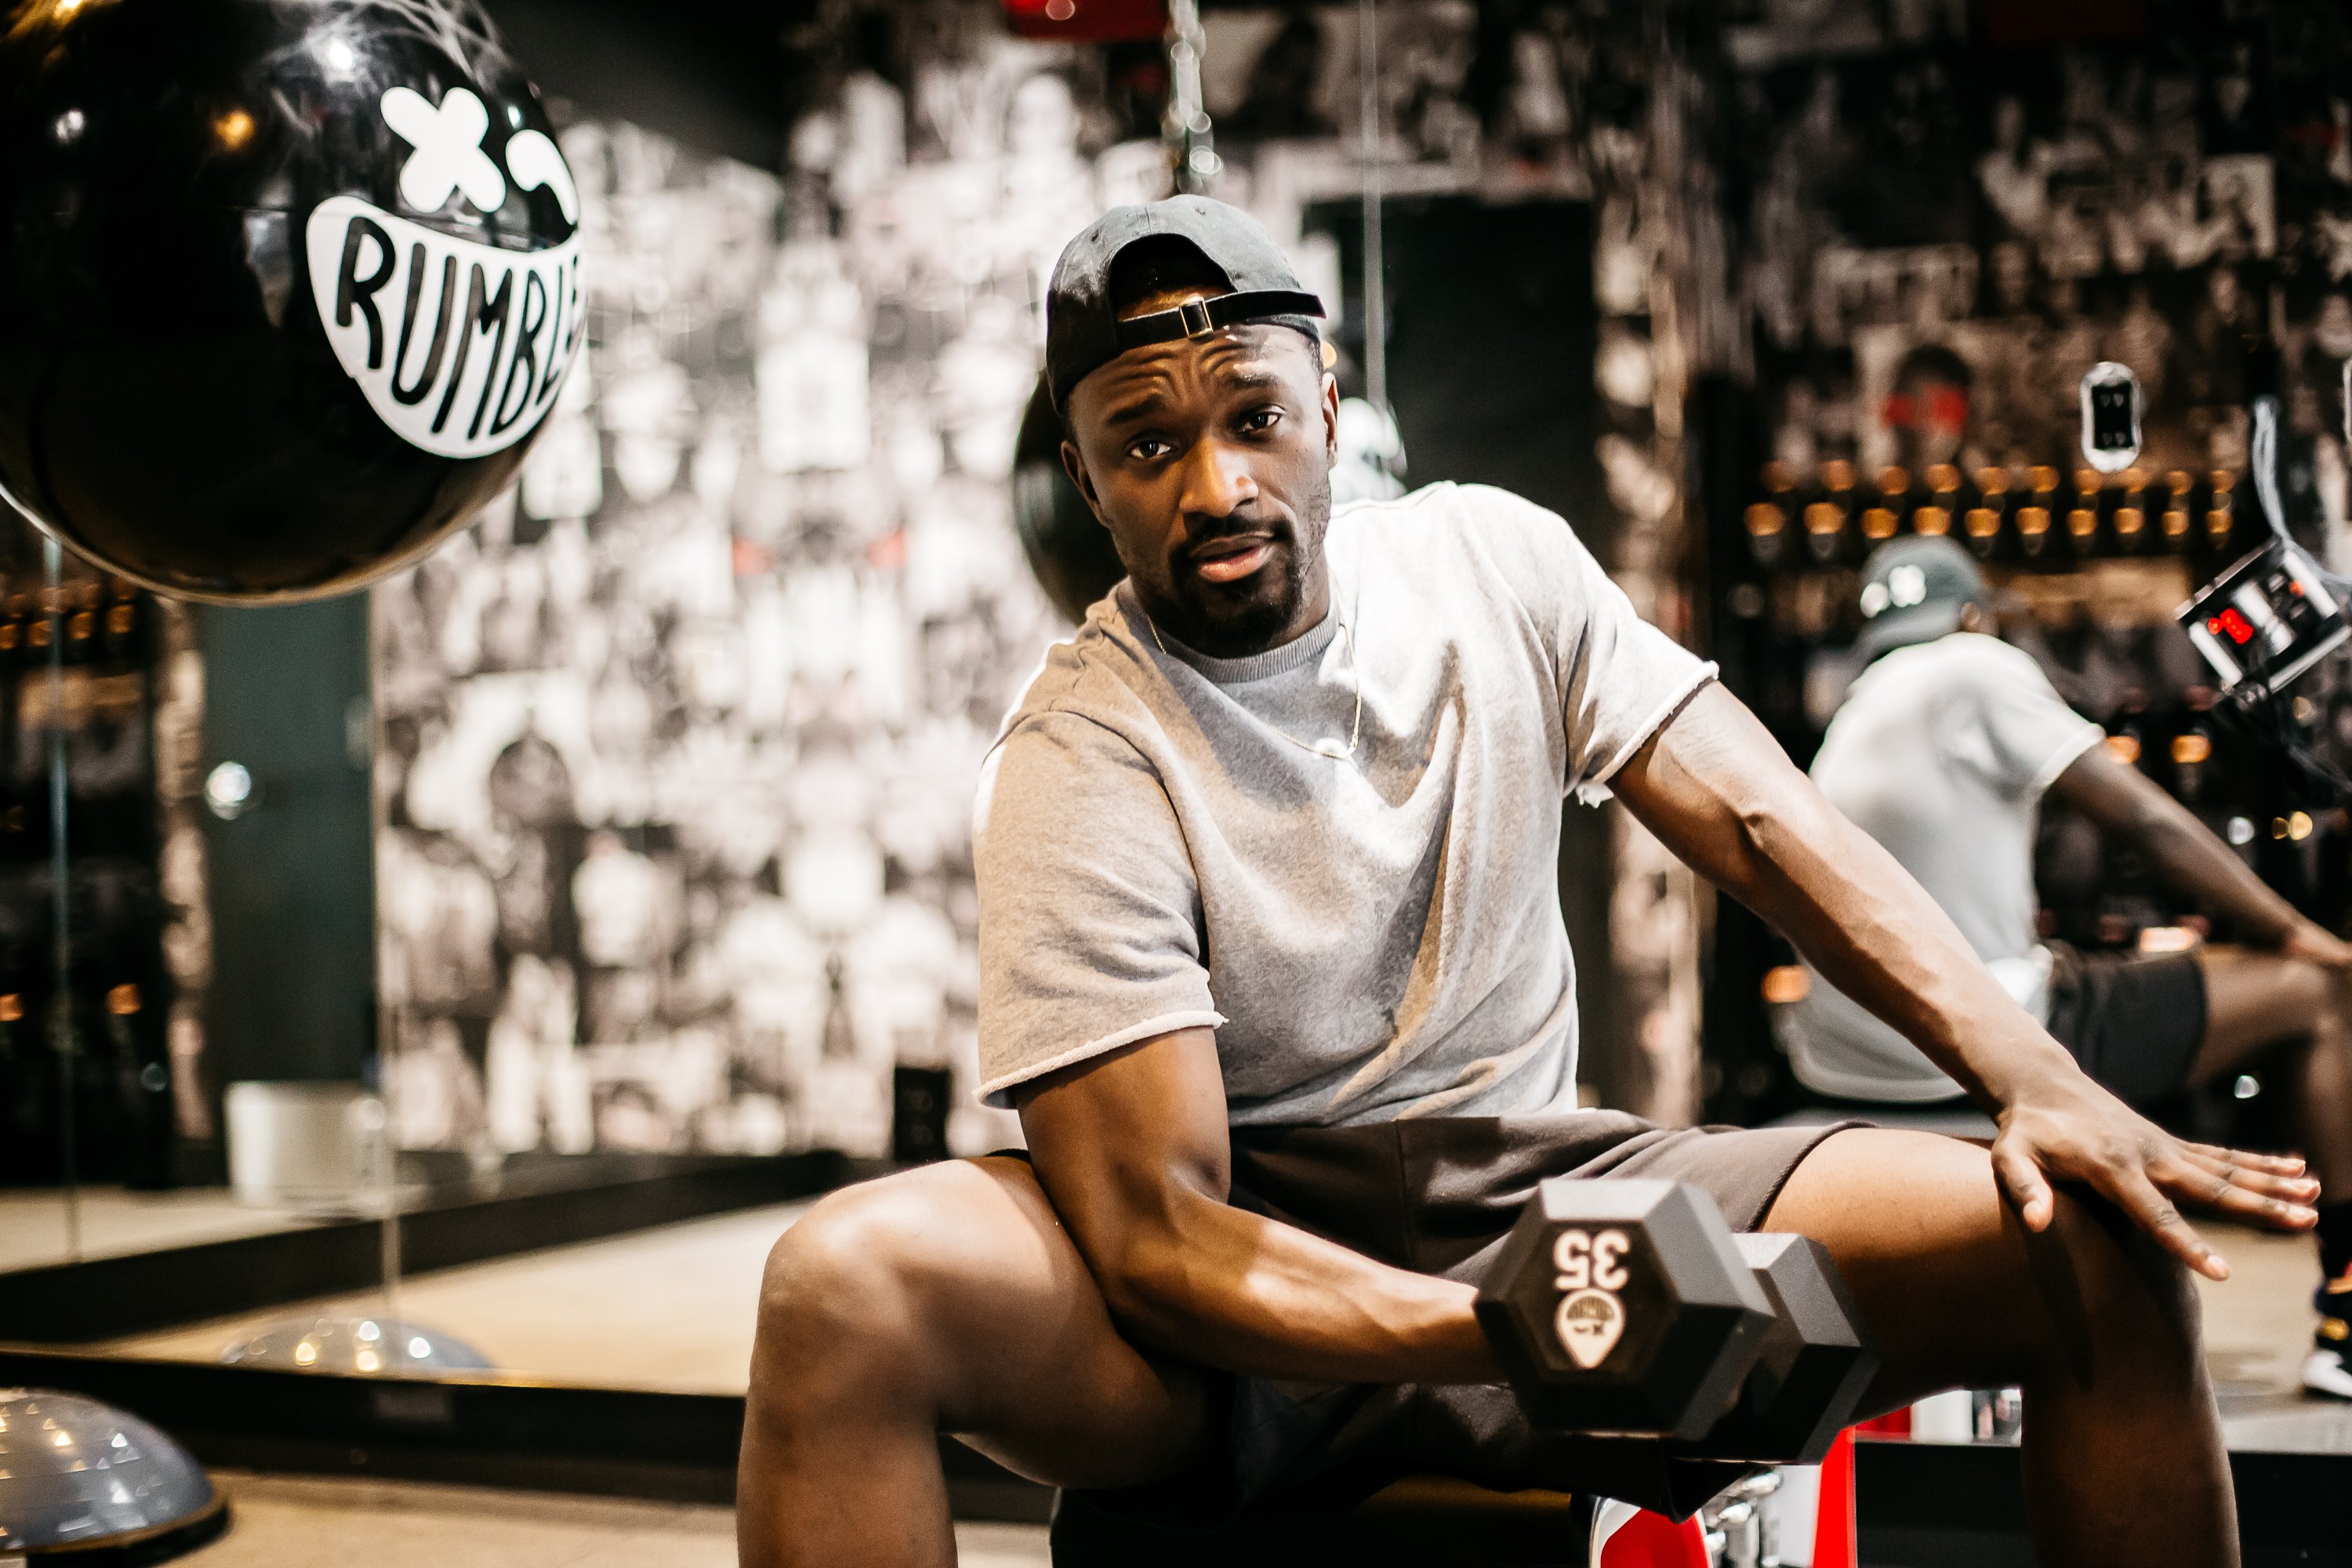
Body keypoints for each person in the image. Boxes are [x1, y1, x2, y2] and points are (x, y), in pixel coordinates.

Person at [738, 198, 2318, 1568]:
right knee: (843, 1285)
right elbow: (1159, 1236)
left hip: (1540, 1187)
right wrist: (1513, 1324)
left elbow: (1769, 824)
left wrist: (2033, 1074)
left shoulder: (1490, 564)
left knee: (2097, 1242)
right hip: (1233, 1290)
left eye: (1252, 417)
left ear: (1330, 411)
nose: (1212, 484)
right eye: (1145, 444)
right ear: (1087, 484)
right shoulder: (1078, 755)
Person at [1784, 535, 2352, 1401]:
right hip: (1987, 1037)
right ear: (1972, 614)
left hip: (1852, 1053)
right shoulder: (1974, 665)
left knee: (2075, 966)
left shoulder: (1850, 715)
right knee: (2323, 994)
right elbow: (2145, 821)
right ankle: (2348, 1321)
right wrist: (2300, 932)